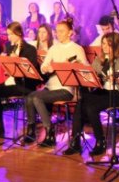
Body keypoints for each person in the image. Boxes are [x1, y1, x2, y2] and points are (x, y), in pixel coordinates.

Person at [65, 33, 119, 156]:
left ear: (116, 46)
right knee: (81, 102)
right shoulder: (99, 59)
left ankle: (100, 141)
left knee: (91, 107)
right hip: (104, 92)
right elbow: (91, 74)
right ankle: (75, 141)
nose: (104, 46)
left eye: (108, 44)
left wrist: (117, 80)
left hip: (118, 94)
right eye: (103, 43)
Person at [25, 19, 88, 147]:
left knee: (37, 98)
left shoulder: (77, 48)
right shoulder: (54, 48)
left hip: (66, 89)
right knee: (30, 97)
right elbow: (43, 66)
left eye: (61, 31)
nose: (58, 34)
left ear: (70, 33)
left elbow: (86, 69)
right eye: (57, 31)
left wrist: (77, 65)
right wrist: (47, 68)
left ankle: (50, 132)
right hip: (51, 86)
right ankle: (31, 130)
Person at [0, 21, 42, 138]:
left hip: (25, 84)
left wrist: (17, 60)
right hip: (13, 81)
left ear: (19, 33)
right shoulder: (10, 47)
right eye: (8, 34)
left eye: (11, 34)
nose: (8, 37)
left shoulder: (30, 49)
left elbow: (32, 71)